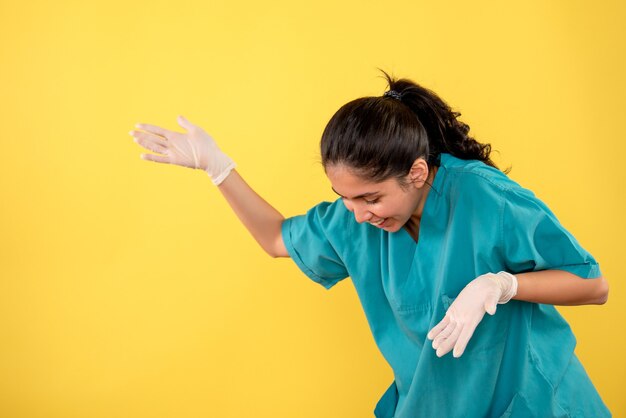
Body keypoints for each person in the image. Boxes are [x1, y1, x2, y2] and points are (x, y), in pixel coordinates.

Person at [130, 71, 611, 418]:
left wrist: (502, 285)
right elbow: (277, 238)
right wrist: (219, 169)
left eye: (371, 197)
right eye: (345, 198)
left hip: (535, 401)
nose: (358, 213)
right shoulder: (355, 221)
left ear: (417, 172)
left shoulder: (486, 198)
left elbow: (593, 285)